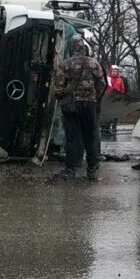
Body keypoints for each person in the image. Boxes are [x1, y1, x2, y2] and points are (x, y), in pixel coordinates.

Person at [53, 40, 106, 181]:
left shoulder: (64, 64)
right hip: (89, 104)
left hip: (71, 104)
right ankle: (92, 170)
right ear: (84, 49)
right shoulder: (94, 63)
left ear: (71, 49)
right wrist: (95, 98)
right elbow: (102, 84)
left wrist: (63, 95)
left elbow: (57, 88)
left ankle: (70, 169)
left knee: (72, 138)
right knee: (90, 136)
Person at [102, 65, 127, 139]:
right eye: (113, 71)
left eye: (116, 71)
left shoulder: (120, 80)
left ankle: (113, 128)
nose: (115, 72)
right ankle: (105, 130)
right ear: (111, 71)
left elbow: (122, 89)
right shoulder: (108, 78)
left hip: (116, 100)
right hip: (108, 100)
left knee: (115, 115)